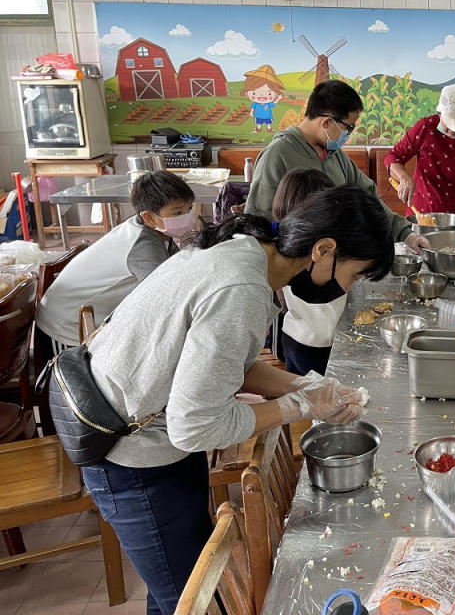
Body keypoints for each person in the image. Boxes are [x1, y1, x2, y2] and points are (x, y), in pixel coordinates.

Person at [79, 187, 388, 615]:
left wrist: (305, 387)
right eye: (354, 274)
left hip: (150, 429)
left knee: (172, 581)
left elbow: (227, 368)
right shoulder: (241, 287)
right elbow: (196, 428)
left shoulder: (247, 251)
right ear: (324, 249)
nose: (348, 287)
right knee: (190, 600)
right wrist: (300, 408)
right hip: (128, 451)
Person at [244, 79, 429, 253]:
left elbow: (369, 198)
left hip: (333, 262)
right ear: (326, 122)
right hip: (293, 264)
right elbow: (258, 221)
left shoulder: (336, 155)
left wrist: (405, 233)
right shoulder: (278, 155)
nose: (348, 135)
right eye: (348, 127)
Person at [35, 171, 195, 349]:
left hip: (82, 318)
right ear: (149, 217)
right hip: (64, 330)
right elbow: (163, 299)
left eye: (189, 209)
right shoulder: (143, 246)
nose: (187, 217)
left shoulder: (155, 230)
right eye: (178, 212)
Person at [272, 170, 367, 376]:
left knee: (297, 394)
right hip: (320, 346)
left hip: (291, 336)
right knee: (319, 399)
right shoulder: (322, 254)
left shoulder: (283, 248)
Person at [386, 84, 455, 216]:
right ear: (440, 113)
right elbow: (393, 157)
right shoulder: (425, 128)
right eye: (448, 125)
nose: (452, 131)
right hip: (422, 212)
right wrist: (403, 177)